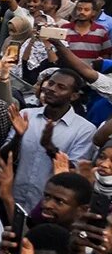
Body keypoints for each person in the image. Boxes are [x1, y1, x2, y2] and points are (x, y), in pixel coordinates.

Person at [8, 69, 96, 210]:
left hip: (48, 209)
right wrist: (18, 137)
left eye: (61, 87)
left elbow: (73, 173)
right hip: (13, 201)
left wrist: (49, 147)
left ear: (73, 96)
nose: (51, 89)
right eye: (51, 83)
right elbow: (5, 157)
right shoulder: (26, 116)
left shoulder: (85, 130)